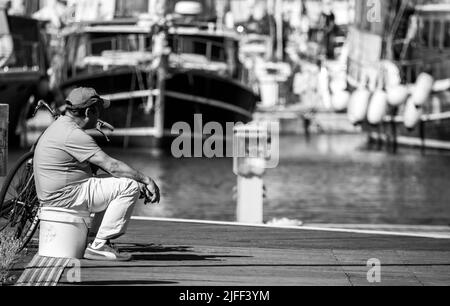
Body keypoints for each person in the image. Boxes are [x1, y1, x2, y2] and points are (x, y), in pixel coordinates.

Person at [33, 87, 160, 261]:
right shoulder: (74, 135)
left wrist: (135, 179)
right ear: (88, 111)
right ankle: (99, 245)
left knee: (123, 181)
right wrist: (146, 180)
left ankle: (94, 241)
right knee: (128, 186)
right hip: (66, 197)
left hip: (56, 195)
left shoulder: (60, 126)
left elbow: (111, 170)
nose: (100, 114)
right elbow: (113, 166)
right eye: (98, 110)